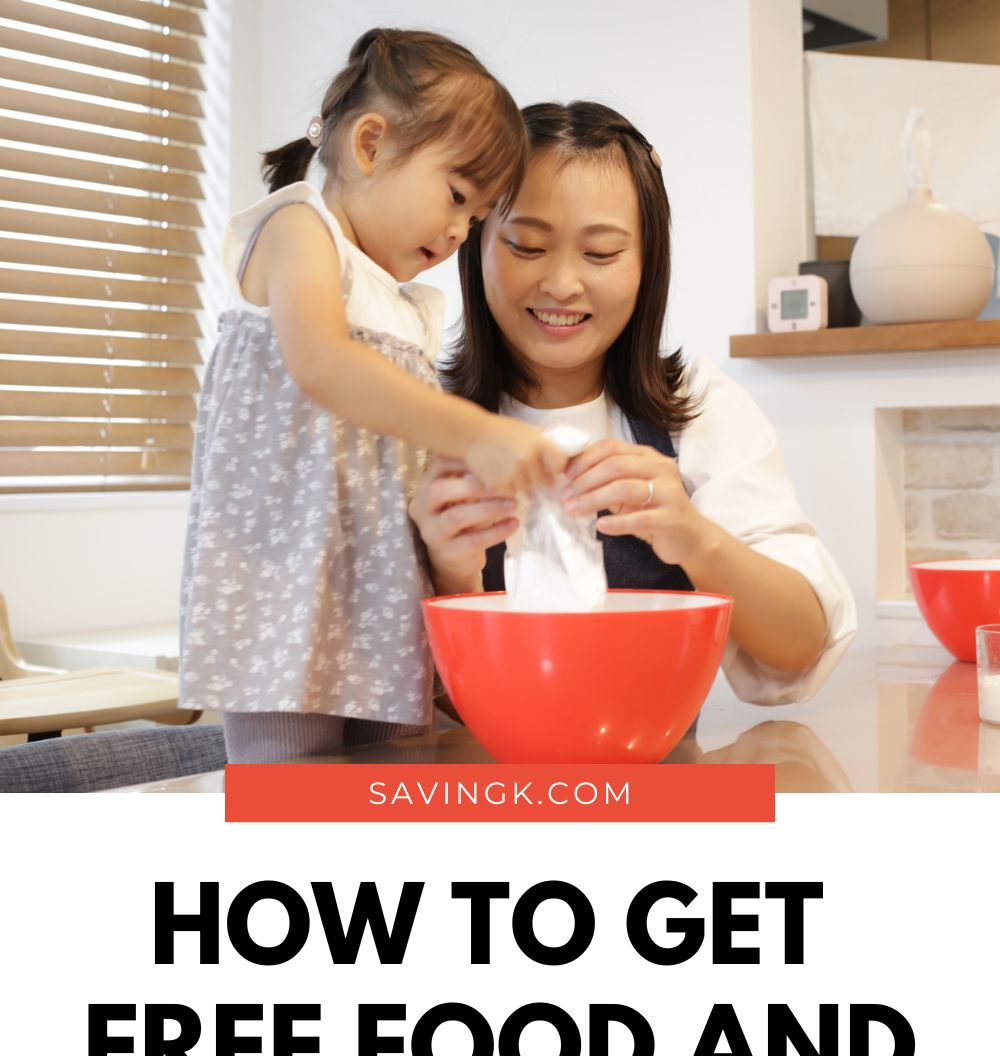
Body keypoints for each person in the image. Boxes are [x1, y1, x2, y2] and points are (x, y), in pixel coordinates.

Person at [178, 29, 567, 764]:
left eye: (477, 217)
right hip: (285, 595)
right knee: (292, 796)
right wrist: (473, 430)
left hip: (384, 601)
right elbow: (322, 364)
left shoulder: (407, 306)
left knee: (397, 788)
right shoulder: (298, 231)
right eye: (456, 195)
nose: (458, 230)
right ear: (369, 145)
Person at [411, 101, 856, 706]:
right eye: (526, 246)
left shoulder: (698, 410)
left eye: (601, 254)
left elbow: (802, 644)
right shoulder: (412, 414)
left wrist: (696, 539)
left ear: (649, 264)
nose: (563, 284)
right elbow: (385, 701)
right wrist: (451, 573)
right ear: (476, 244)